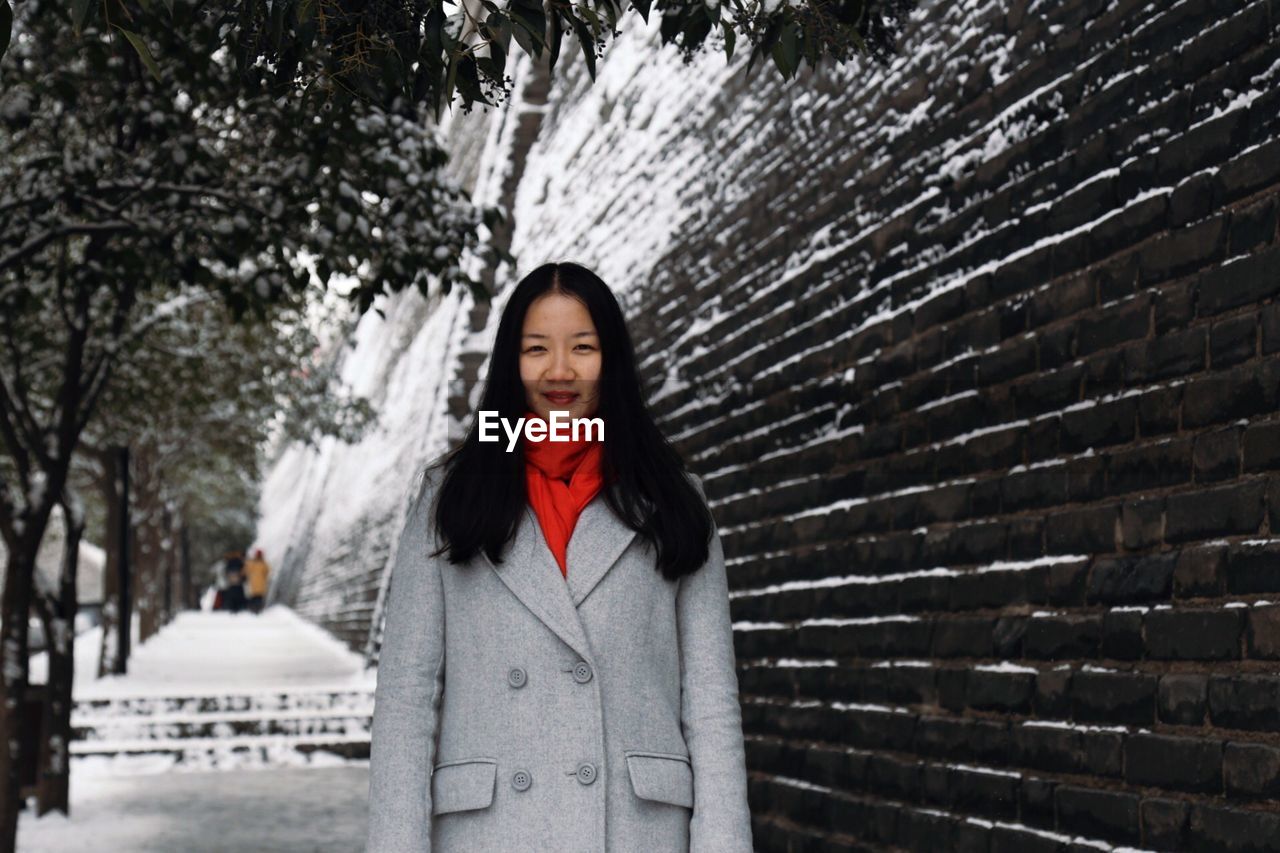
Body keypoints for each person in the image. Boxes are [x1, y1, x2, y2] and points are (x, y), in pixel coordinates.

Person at [366, 262, 753, 852]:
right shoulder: (452, 494)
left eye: (583, 347)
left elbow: (710, 702)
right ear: (510, 363)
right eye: (536, 349)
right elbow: (407, 700)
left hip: (635, 833)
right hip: (489, 834)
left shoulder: (671, 496)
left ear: (612, 360)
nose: (560, 371)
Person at [243, 548, 271, 614]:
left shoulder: (251, 563)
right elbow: (267, 571)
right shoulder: (263, 564)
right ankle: (258, 610)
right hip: (261, 585)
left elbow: (245, 571)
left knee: (253, 597)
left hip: (253, 585)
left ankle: (252, 610)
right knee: (259, 598)